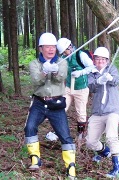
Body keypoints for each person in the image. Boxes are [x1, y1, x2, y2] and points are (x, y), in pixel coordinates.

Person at [24, 33, 76, 179]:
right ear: (41, 48)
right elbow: (35, 81)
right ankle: (35, 158)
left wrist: (54, 70)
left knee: (65, 135)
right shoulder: (34, 63)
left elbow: (62, 77)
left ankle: (71, 166)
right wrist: (43, 72)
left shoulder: (62, 62)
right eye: (47, 47)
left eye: (53, 46)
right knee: (29, 127)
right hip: (39, 102)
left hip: (56, 103)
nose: (51, 49)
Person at [86, 47, 119, 178]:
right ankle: (104, 152)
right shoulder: (92, 72)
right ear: (94, 60)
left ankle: (118, 167)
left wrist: (109, 78)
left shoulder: (112, 69)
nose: (100, 61)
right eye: (97, 59)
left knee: (111, 137)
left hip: (112, 109)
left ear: (107, 60)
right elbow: (90, 86)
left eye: (103, 59)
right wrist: (98, 81)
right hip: (97, 111)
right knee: (90, 141)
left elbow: (116, 80)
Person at [57, 38, 95, 138]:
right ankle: (59, 131)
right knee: (61, 108)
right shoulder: (63, 58)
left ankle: (81, 134)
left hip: (81, 88)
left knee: (81, 112)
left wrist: (81, 72)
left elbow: (92, 67)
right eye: (63, 52)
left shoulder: (80, 55)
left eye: (65, 51)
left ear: (70, 46)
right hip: (68, 88)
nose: (65, 53)